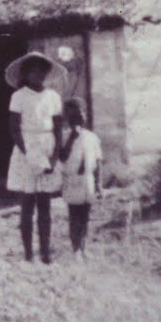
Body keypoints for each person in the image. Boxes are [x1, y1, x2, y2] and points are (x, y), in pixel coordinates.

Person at [5, 52, 66, 263]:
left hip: (48, 149)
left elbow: (58, 129)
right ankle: (29, 253)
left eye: (42, 70)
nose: (38, 74)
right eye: (33, 70)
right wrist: (29, 154)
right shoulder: (19, 96)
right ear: (26, 73)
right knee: (27, 203)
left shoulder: (53, 97)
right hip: (27, 150)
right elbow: (14, 129)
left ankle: (45, 252)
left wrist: (54, 157)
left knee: (45, 205)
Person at [59, 97, 102, 261]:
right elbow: (62, 157)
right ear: (67, 119)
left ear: (85, 116)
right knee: (74, 215)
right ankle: (75, 249)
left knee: (85, 215)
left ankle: (83, 247)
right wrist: (71, 138)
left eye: (81, 115)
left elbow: (98, 161)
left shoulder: (92, 137)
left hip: (88, 179)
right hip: (73, 179)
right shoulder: (64, 137)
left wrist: (99, 184)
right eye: (73, 117)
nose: (78, 119)